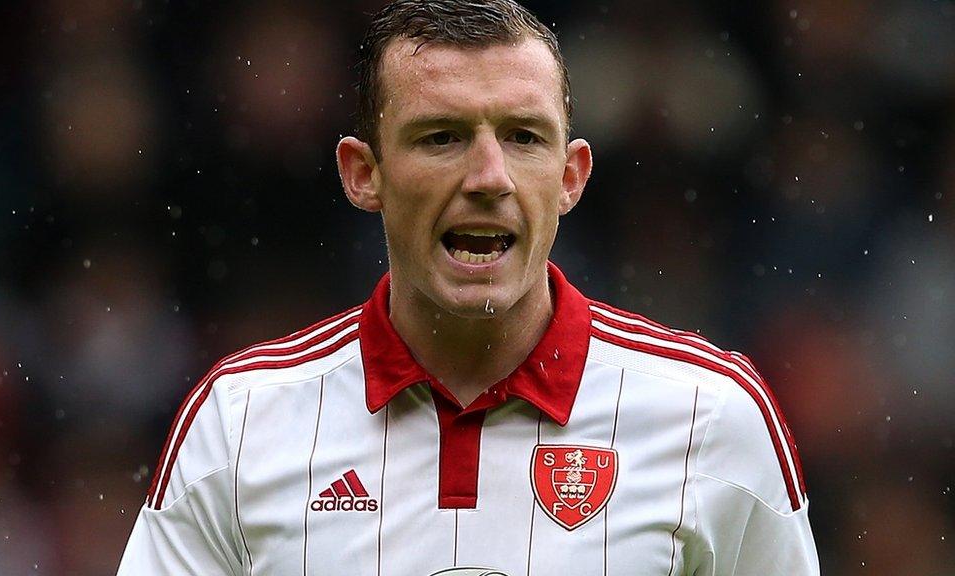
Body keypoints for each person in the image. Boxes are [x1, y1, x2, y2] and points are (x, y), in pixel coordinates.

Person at [117, 1, 819, 574]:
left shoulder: (710, 415)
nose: (489, 177)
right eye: (442, 137)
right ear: (364, 174)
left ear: (571, 176)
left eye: (523, 137)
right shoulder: (239, 426)